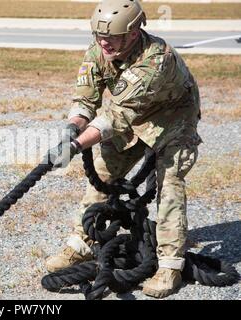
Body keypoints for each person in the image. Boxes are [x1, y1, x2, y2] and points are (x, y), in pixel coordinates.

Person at [44, 0, 202, 298]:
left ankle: (170, 265)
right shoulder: (100, 49)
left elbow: (114, 118)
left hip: (173, 118)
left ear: (132, 33)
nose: (104, 42)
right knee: (104, 172)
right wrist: (71, 128)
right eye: (99, 36)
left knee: (169, 184)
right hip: (130, 114)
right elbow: (86, 98)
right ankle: (82, 243)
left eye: (112, 37)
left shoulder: (155, 60)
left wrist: (76, 146)